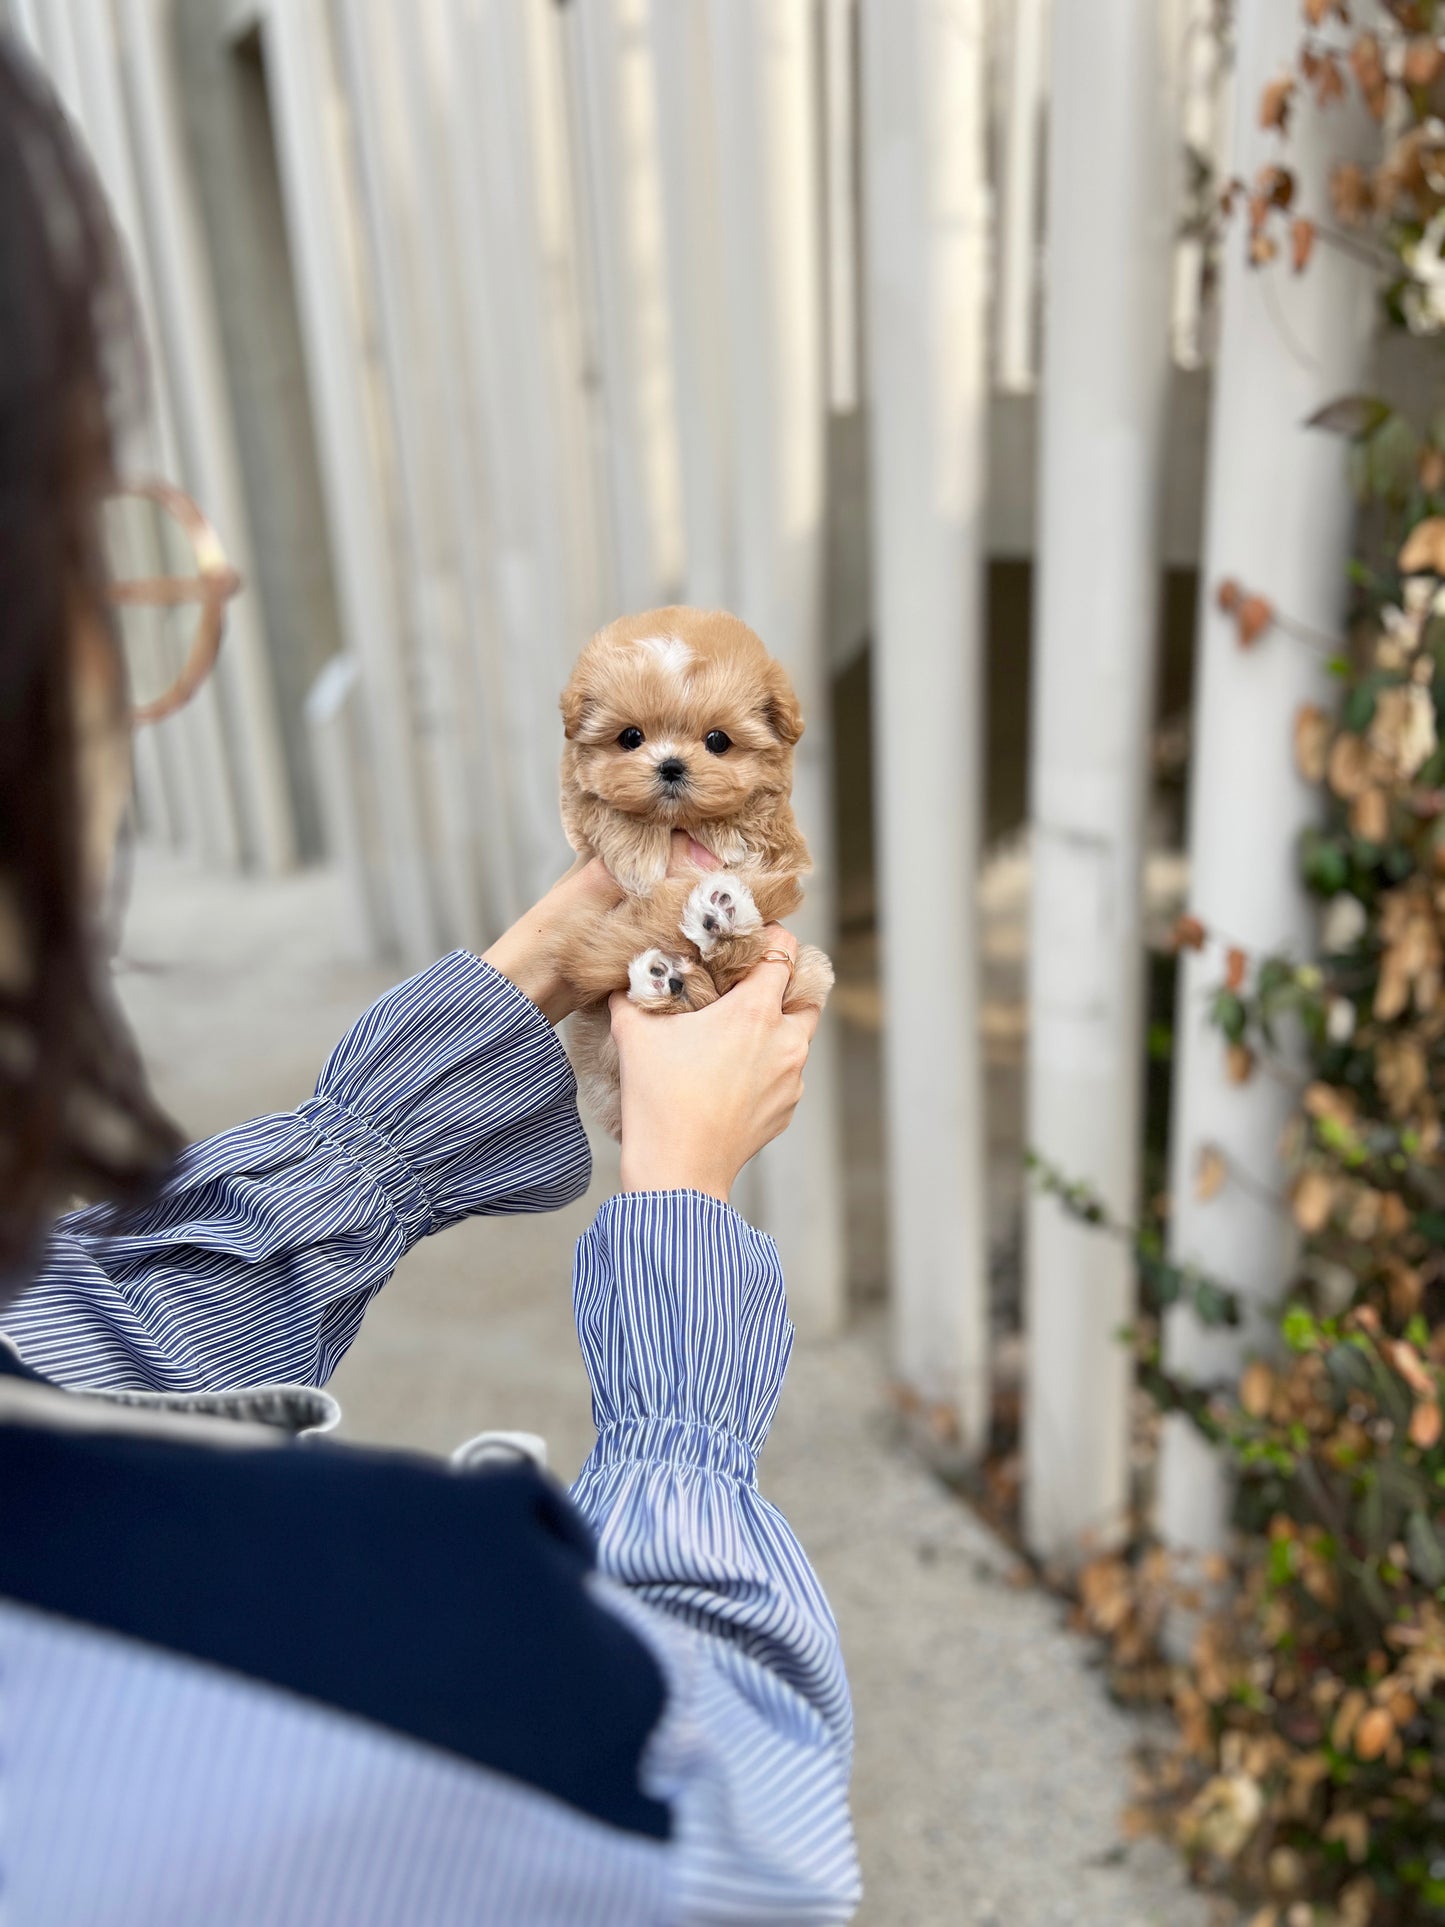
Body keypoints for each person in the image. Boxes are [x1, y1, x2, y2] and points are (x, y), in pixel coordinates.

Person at [0, 36, 859, 1926]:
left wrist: (489, 1015)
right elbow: (744, 1836)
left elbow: (79, 1351)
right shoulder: (401, 1675)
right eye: (110, 580)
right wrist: (679, 1219)